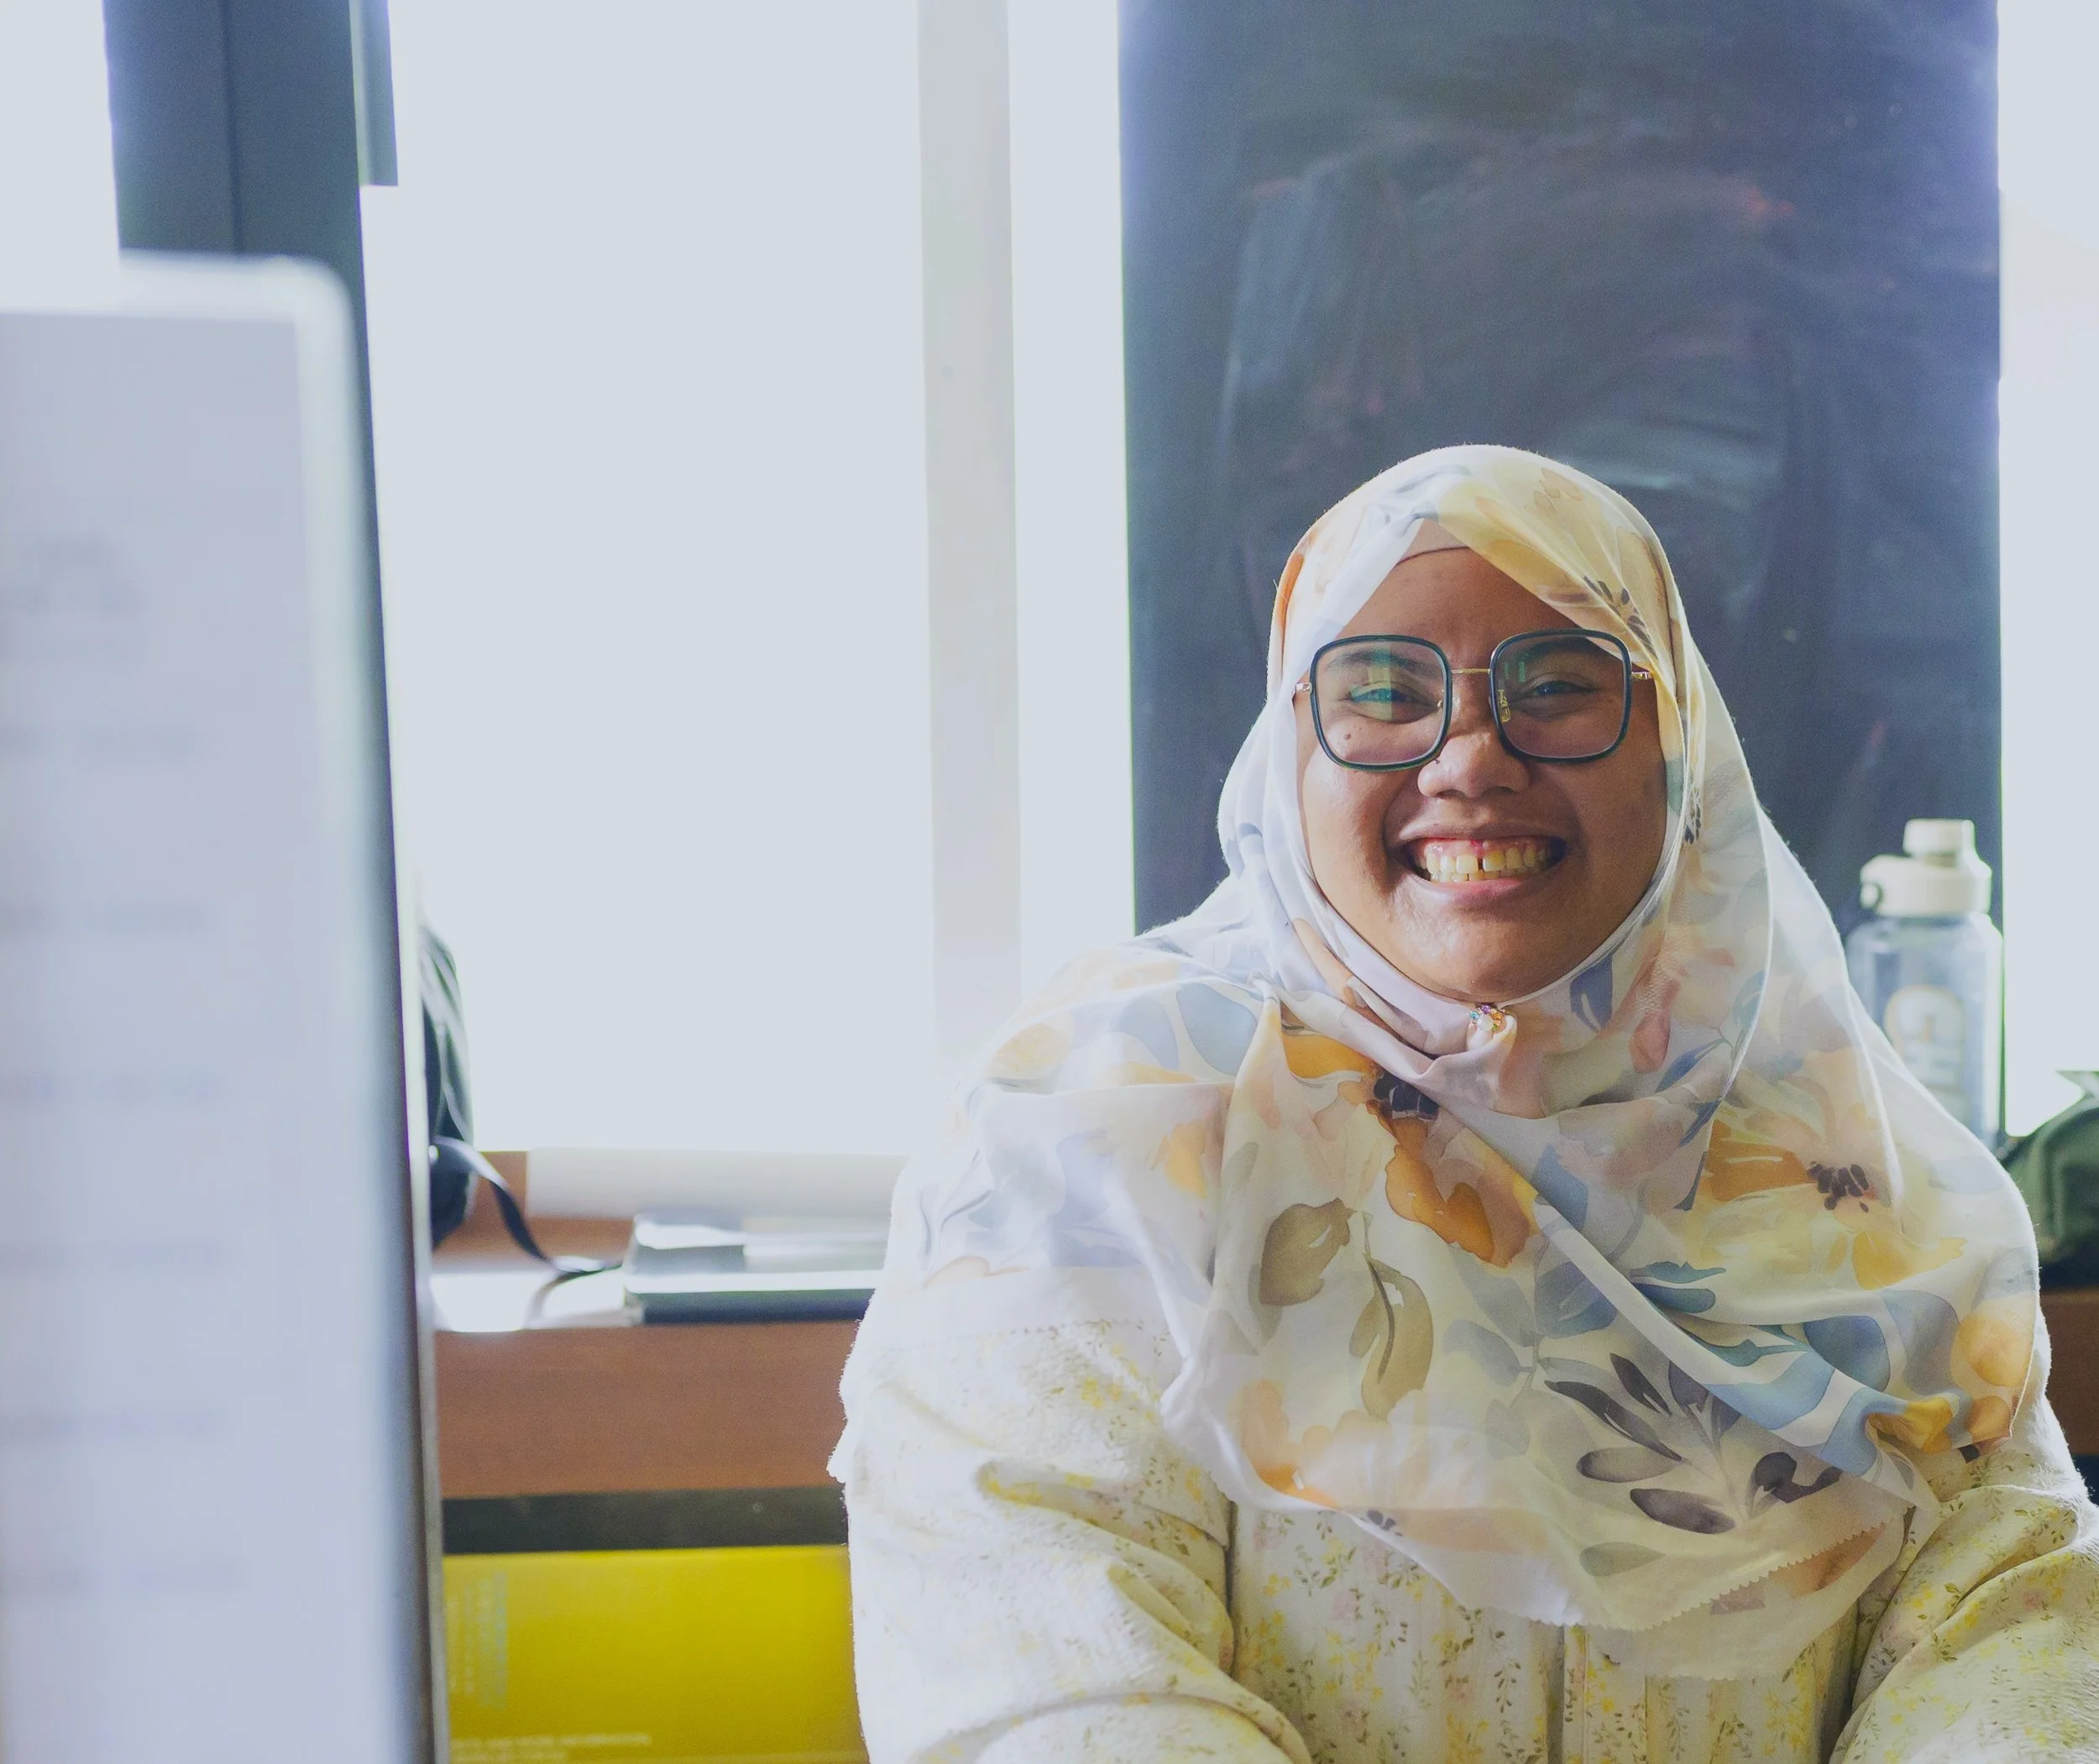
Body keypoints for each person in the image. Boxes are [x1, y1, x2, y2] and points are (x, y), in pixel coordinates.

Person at [831, 447, 2099, 1762]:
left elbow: (2014, 1651)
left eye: (1559, 688)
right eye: (1381, 689)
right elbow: (1054, 1694)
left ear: (1680, 755)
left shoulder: (1852, 1177)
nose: (1472, 758)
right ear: (1289, 756)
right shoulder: (1092, 1140)